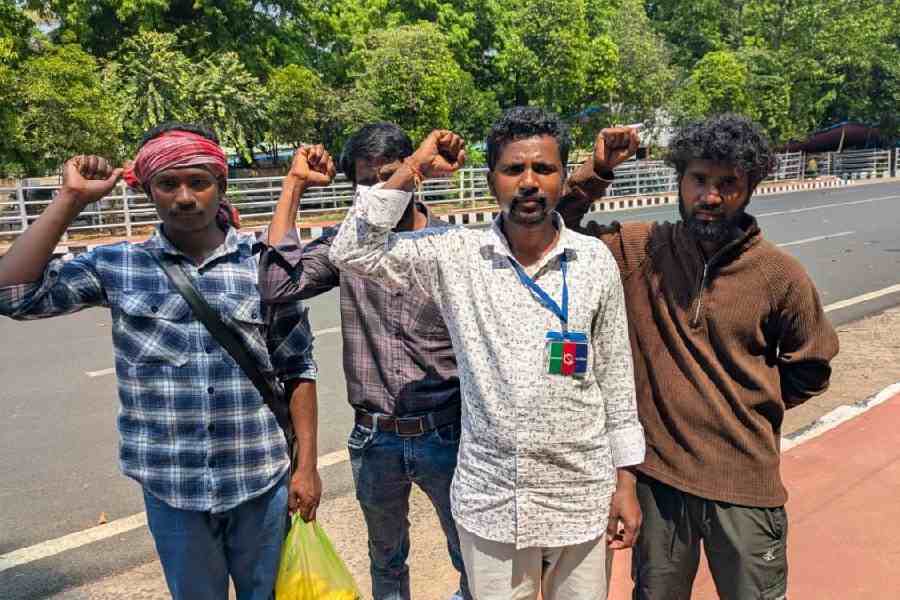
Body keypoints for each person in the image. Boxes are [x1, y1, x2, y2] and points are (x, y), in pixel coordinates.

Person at [328, 106, 645, 600]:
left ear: (563, 176)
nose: (529, 182)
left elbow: (616, 379)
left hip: (580, 494)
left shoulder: (593, 260)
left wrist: (625, 482)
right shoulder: (455, 254)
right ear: (491, 179)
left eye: (544, 168)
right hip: (492, 499)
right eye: (513, 169)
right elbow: (352, 252)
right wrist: (412, 167)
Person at [0, 123, 320, 600]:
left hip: (260, 481)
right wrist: (70, 199)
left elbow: (298, 369)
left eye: (199, 181)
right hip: (172, 487)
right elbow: (14, 295)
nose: (185, 197)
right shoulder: (118, 265)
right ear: (149, 190)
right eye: (168, 184)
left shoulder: (262, 264)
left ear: (221, 185)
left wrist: (308, 467)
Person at [559, 113, 840, 599]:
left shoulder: (780, 275)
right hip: (660, 482)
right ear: (680, 181)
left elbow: (811, 366)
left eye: (727, 183)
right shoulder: (642, 249)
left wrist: (746, 405)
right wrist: (597, 169)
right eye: (699, 180)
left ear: (751, 187)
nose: (710, 196)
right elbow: (553, 228)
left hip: (745, 484)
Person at [258, 122, 471, 600]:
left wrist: (416, 167)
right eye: (367, 183)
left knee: (472, 556)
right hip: (376, 438)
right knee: (386, 561)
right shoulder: (345, 247)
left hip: (449, 431)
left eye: (390, 176)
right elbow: (276, 285)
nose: (380, 191)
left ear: (414, 176)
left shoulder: (451, 246)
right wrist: (293, 185)